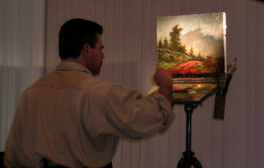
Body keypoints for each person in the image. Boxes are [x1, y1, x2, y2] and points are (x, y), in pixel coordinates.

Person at [4, 18, 174, 168]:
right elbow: (155, 116)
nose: (103, 55)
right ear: (86, 49)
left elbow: (12, 156)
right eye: (100, 48)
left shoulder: (30, 93)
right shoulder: (101, 94)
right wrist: (165, 83)